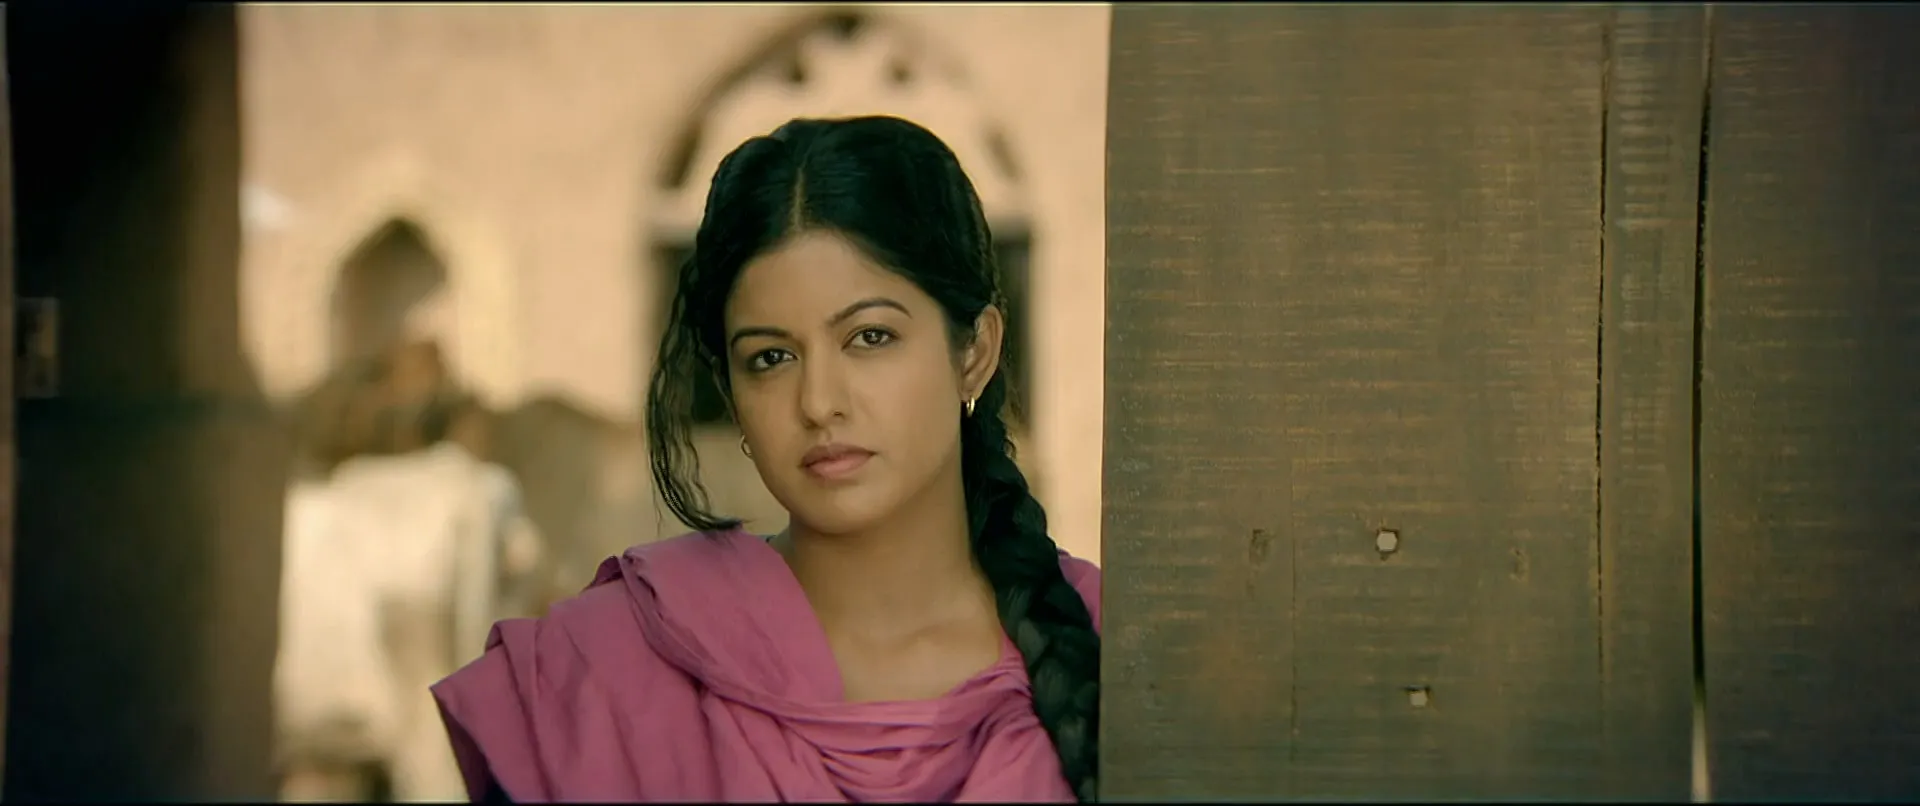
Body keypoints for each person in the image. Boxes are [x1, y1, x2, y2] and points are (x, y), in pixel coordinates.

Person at [429, 115, 1102, 802]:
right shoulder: (597, 675)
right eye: (771, 358)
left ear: (975, 353)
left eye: (870, 337)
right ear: (731, 391)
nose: (818, 402)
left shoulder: (1118, 646)